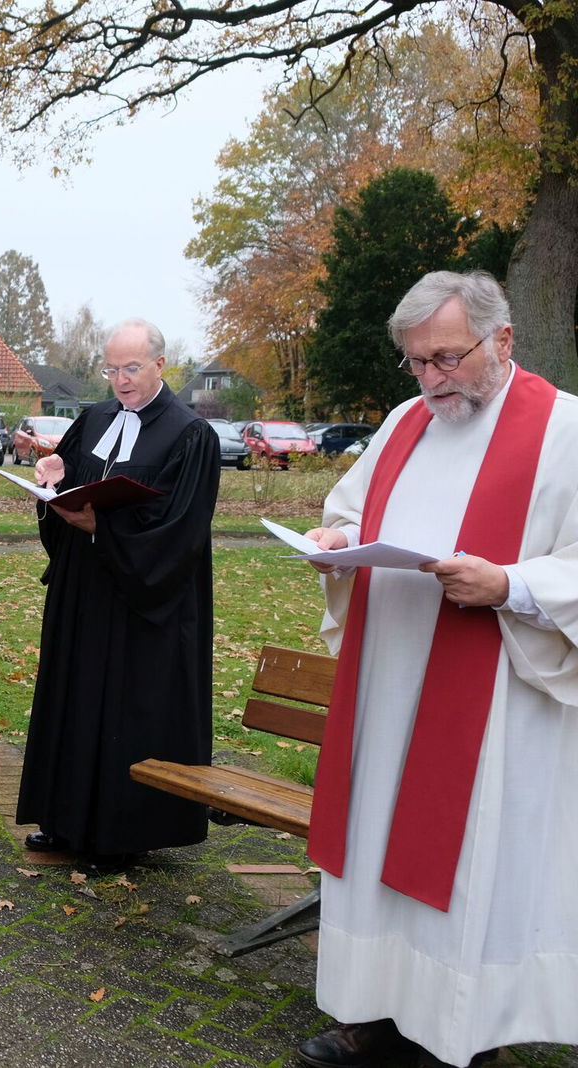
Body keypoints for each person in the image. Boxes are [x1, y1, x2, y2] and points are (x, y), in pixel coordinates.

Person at [295, 271, 578, 1068]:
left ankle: (459, 1029)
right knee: (379, 837)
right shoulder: (404, 424)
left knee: (468, 860)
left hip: (492, 696)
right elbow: (350, 510)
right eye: (417, 363)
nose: (431, 380)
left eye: (447, 358)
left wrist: (510, 584)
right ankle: (376, 1012)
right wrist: (337, 542)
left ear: (505, 340)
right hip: (387, 683)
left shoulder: (563, 431)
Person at [15, 318, 219, 866]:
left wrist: (104, 529)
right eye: (111, 369)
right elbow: (72, 488)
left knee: (127, 710)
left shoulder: (189, 433)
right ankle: (63, 820)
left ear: (160, 364)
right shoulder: (94, 418)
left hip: (143, 601)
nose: (121, 381)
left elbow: (181, 528)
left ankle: (121, 834)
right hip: (84, 590)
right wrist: (54, 478)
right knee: (74, 700)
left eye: (132, 368)